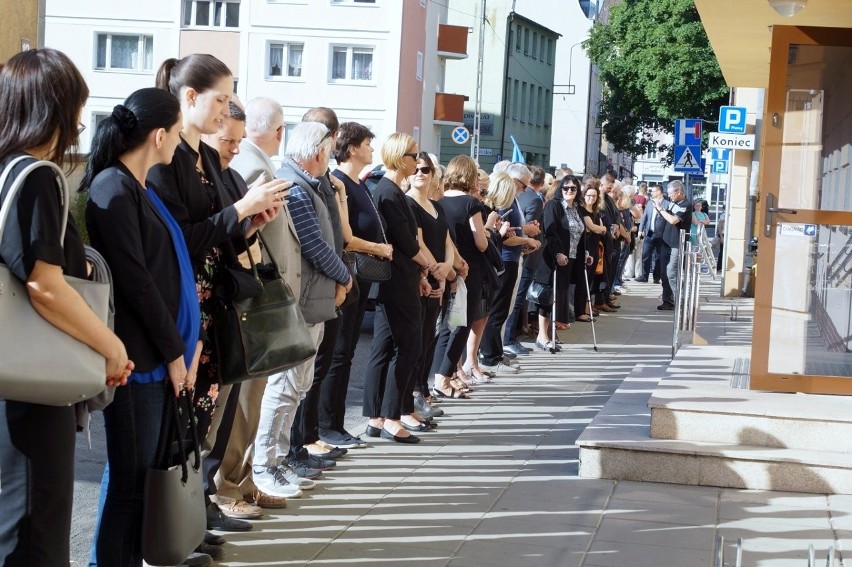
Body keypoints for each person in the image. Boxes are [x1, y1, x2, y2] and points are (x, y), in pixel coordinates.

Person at [0, 47, 132, 567]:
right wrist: (111, 345)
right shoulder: (37, 177)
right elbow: (45, 285)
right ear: (56, 107)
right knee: (35, 526)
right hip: (32, 384)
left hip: (9, 380)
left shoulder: (5, 173)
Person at [148, 53, 286, 533]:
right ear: (190, 98)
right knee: (181, 419)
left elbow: (219, 232)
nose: (227, 111)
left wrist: (249, 224)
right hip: (187, 305)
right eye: (222, 100)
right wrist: (240, 210)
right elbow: (179, 238)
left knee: (203, 418)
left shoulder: (203, 156)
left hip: (214, 302)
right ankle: (175, 524)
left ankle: (194, 514)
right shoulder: (168, 159)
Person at [84, 88, 204, 566]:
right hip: (140, 362)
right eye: (176, 134)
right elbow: (136, 282)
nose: (178, 144)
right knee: (131, 489)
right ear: (159, 135)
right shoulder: (112, 187)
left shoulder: (139, 188)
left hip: (157, 358)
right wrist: (176, 351)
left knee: (139, 480)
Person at [218, 97, 312, 505]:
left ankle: (243, 483)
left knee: (252, 400)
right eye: (228, 140)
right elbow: (237, 238)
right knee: (241, 405)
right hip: (248, 299)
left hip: (255, 294)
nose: (234, 149)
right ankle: (230, 486)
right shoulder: (253, 167)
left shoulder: (252, 163)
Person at [252, 122, 352, 491]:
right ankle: (265, 464)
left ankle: (274, 462)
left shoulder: (313, 183)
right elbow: (315, 245)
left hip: (313, 303)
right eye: (329, 150)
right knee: (285, 388)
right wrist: (346, 276)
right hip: (302, 303)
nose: (331, 158)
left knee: (297, 387)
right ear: (318, 152)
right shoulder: (294, 186)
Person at [320, 121, 393, 449]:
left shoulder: (357, 183)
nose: (372, 149)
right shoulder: (339, 183)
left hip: (356, 280)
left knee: (345, 354)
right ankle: (326, 425)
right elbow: (346, 238)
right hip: (343, 277)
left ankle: (335, 424)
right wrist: (378, 248)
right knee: (337, 355)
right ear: (351, 148)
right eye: (367, 143)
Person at [362, 133, 437, 441]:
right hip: (395, 283)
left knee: (388, 348)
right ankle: (390, 416)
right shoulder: (389, 193)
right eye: (412, 155)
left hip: (399, 280)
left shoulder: (391, 191)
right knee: (407, 347)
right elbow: (407, 242)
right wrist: (431, 268)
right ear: (399, 157)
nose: (416, 161)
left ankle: (378, 417)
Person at [430, 155, 489, 397]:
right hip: (469, 269)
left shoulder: (439, 200)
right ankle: (444, 377)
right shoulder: (471, 204)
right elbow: (482, 243)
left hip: (446, 266)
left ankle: (441, 375)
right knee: (460, 324)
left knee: (446, 324)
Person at [404, 152, 455, 418]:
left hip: (439, 275)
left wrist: (447, 268)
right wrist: (436, 270)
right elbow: (418, 242)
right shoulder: (410, 204)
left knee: (429, 336)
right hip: (423, 276)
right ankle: (414, 393)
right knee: (419, 337)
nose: (420, 174)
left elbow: (447, 240)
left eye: (426, 170)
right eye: (417, 169)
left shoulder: (437, 206)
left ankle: (422, 390)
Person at [477, 171, 539, 373]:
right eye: (519, 187)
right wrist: (526, 239)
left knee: (500, 311)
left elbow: (511, 234)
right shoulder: (499, 207)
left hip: (508, 260)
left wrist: (524, 237)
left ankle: (495, 353)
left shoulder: (504, 205)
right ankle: (490, 356)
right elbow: (505, 238)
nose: (521, 191)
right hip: (503, 262)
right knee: (496, 311)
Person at [533, 175, 584, 350]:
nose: (569, 191)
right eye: (566, 188)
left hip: (571, 258)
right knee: (548, 296)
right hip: (553, 259)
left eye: (573, 188)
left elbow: (580, 234)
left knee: (559, 296)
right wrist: (558, 253)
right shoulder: (554, 206)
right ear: (560, 189)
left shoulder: (577, 208)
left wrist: (584, 252)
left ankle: (551, 334)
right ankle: (542, 335)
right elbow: (550, 231)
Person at [502, 162, 542, 358]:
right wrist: (528, 234)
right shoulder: (505, 199)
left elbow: (514, 227)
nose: (526, 190)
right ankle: (503, 343)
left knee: (509, 304)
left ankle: (500, 346)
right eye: (524, 185)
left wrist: (526, 230)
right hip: (505, 259)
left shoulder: (516, 198)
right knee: (504, 307)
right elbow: (504, 233)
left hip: (516, 255)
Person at [655, 180, 692, 310]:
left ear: (679, 192)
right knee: (664, 274)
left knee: (672, 272)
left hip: (677, 243)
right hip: (666, 242)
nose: (669, 196)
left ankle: (681, 301)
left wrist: (661, 210)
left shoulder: (686, 205)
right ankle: (668, 301)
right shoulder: (673, 203)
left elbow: (673, 220)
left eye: (671, 193)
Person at [575, 182, 607, 322]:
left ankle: (587, 308)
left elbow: (599, 228)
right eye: (589, 195)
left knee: (590, 279)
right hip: (586, 247)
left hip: (594, 248)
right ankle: (580, 310)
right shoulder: (582, 211)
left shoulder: (595, 212)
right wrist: (601, 229)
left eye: (594, 196)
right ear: (584, 196)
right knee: (583, 280)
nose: (592, 198)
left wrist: (601, 229)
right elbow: (594, 227)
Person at [636, 184, 668, 284]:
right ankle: (644, 276)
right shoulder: (650, 203)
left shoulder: (667, 204)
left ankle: (656, 277)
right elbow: (644, 217)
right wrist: (640, 229)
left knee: (658, 257)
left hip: (661, 235)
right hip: (649, 233)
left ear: (659, 192)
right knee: (645, 254)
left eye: (653, 191)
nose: (651, 193)